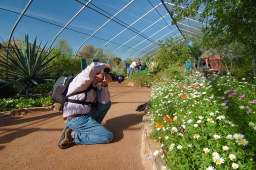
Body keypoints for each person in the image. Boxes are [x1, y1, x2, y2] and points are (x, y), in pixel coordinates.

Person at [58, 61, 113, 149]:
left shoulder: (95, 85)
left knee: (107, 104)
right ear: (95, 73)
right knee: (107, 136)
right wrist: (106, 66)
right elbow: (92, 66)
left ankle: (83, 129)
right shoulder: (81, 80)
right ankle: (73, 136)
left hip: (86, 116)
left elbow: (104, 101)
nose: (104, 76)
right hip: (76, 118)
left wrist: (104, 84)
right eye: (102, 74)